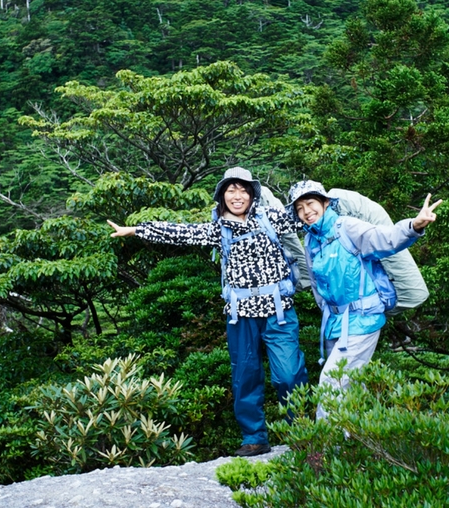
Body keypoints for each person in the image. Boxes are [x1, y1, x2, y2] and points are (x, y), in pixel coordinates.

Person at [107, 167, 308, 457]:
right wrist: (138, 229)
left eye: (243, 190)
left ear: (253, 194)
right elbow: (181, 232)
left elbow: (305, 218)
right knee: (245, 377)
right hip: (240, 314)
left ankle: (302, 431)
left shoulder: (270, 218)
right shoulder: (218, 230)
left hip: (278, 311)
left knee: (289, 374)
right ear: (222, 196)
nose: (237, 196)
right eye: (231, 190)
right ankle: (254, 438)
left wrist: (331, 206)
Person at [286, 180, 441, 419]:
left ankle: (326, 450)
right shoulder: (311, 241)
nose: (306, 212)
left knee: (332, 381)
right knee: (352, 385)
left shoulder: (347, 227)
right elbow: (317, 285)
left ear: (325, 203)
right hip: (335, 323)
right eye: (299, 208)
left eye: (310, 203)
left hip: (363, 319)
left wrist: (413, 226)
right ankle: (359, 442)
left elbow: (385, 238)